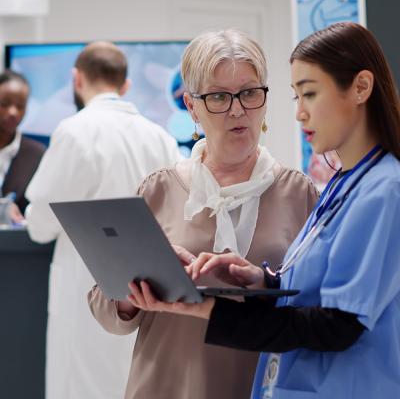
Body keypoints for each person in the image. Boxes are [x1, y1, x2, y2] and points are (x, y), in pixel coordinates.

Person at [126, 22, 400, 399]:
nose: (300, 114)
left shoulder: (369, 189)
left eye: (310, 94)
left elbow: (338, 323)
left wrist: (209, 309)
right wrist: (261, 281)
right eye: (219, 97)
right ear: (192, 105)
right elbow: (310, 287)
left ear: (361, 88)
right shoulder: (345, 184)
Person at [88, 29, 318, 399]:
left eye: (248, 92)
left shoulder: (299, 193)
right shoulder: (158, 189)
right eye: (218, 97)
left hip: (264, 386)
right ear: (192, 106)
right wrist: (136, 292)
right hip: (167, 385)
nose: (237, 109)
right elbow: (104, 307)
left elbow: (317, 309)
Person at [24, 41, 182, 399]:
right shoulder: (160, 136)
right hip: (147, 289)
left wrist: (28, 215)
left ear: (75, 79)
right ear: (125, 85)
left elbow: (41, 224)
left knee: (80, 385)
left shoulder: (74, 130)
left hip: (85, 288)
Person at [0, 70, 45, 215]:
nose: (13, 112)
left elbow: (42, 205)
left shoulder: (37, 154)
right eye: (4, 104)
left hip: (17, 237)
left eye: (20, 106)